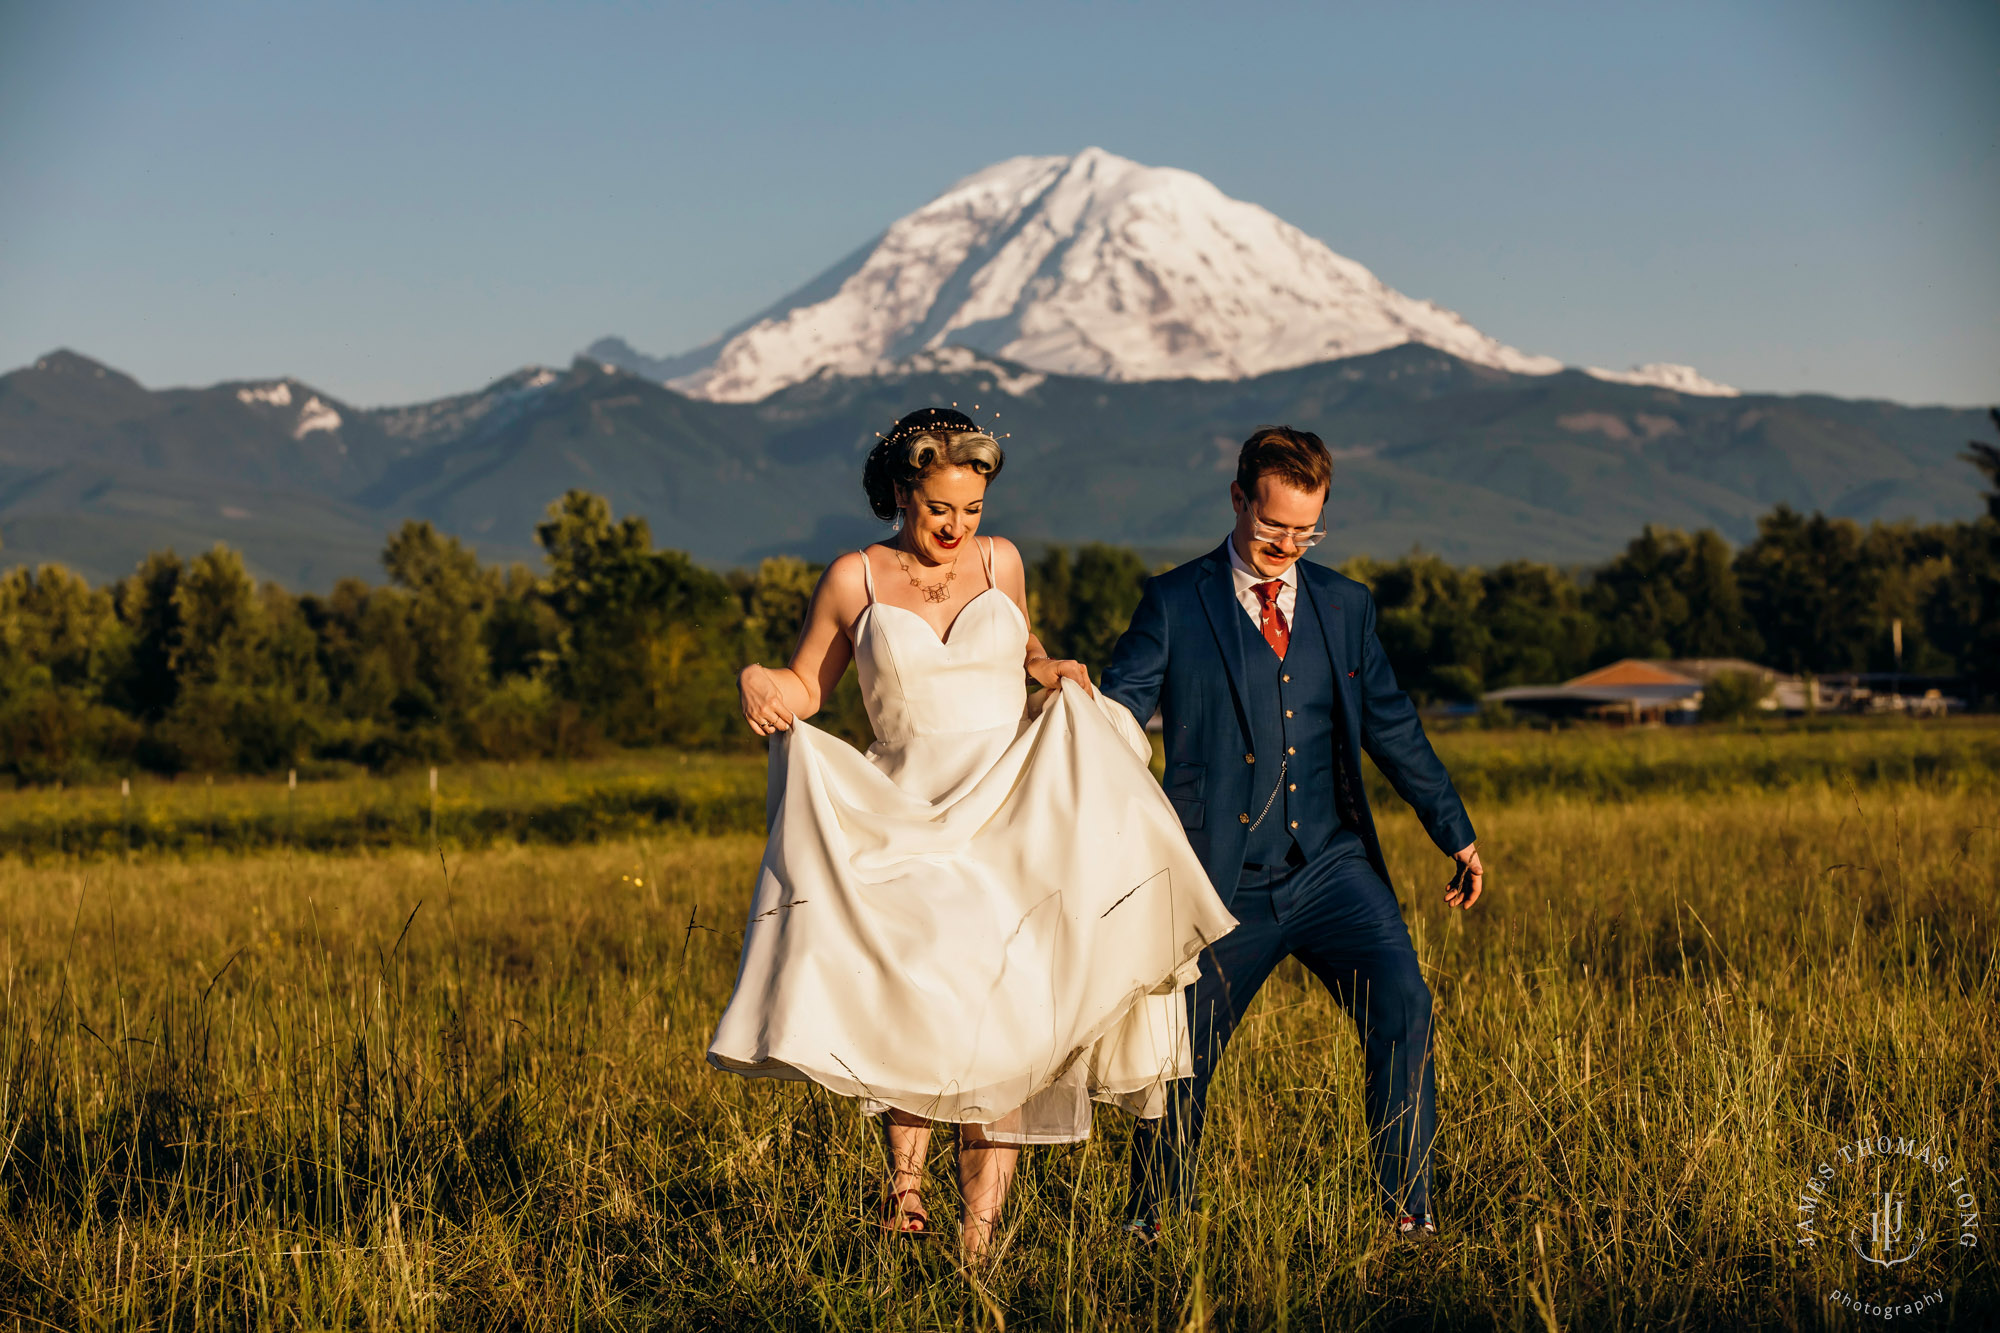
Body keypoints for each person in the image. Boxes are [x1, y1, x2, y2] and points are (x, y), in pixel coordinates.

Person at [707, 407, 1237, 1259]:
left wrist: (1048, 668)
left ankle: (978, 1241)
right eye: (938, 510)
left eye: (972, 510)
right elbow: (807, 686)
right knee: (917, 998)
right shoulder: (856, 579)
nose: (956, 529)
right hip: (904, 814)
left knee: (1006, 1021)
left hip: (1008, 814)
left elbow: (1021, 647)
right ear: (900, 494)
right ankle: (905, 1191)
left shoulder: (1002, 561)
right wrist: (755, 678)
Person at [1099, 425, 1486, 1244]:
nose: (1287, 546)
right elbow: (1113, 716)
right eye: (1273, 526)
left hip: (1333, 868)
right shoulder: (1175, 601)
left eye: (1307, 532)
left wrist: (1453, 829)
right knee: (1182, 1050)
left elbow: (1392, 726)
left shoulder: (1346, 606)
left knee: (1404, 1003)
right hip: (1218, 878)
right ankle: (1154, 1218)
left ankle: (1408, 1212)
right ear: (1238, 499)